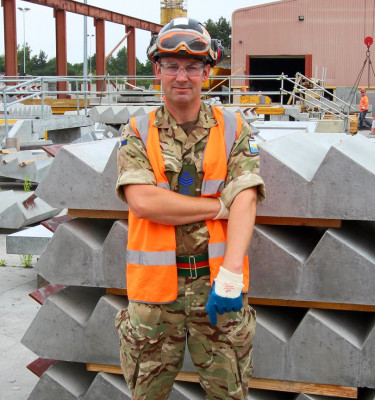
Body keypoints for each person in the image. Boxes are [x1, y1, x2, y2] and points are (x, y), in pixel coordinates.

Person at [114, 17, 265, 400]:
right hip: (154, 300)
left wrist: (231, 275)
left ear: (207, 73)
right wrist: (217, 206)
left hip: (217, 288)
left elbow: (246, 199)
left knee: (228, 394)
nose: (182, 76)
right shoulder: (136, 130)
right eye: (172, 66)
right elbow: (144, 201)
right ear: (158, 71)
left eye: (193, 67)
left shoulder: (233, 129)